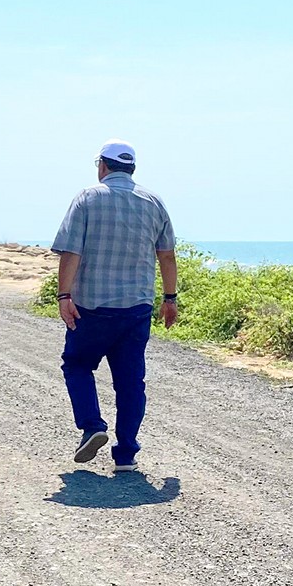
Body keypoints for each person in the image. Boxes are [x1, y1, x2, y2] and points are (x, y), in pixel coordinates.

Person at [51, 139, 177, 473]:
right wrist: (170, 298)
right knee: (131, 381)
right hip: (136, 308)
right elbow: (166, 255)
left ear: (103, 166)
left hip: (91, 307)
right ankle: (126, 454)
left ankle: (93, 425)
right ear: (131, 168)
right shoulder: (153, 202)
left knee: (77, 365)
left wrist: (64, 296)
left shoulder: (87, 198)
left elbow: (71, 251)